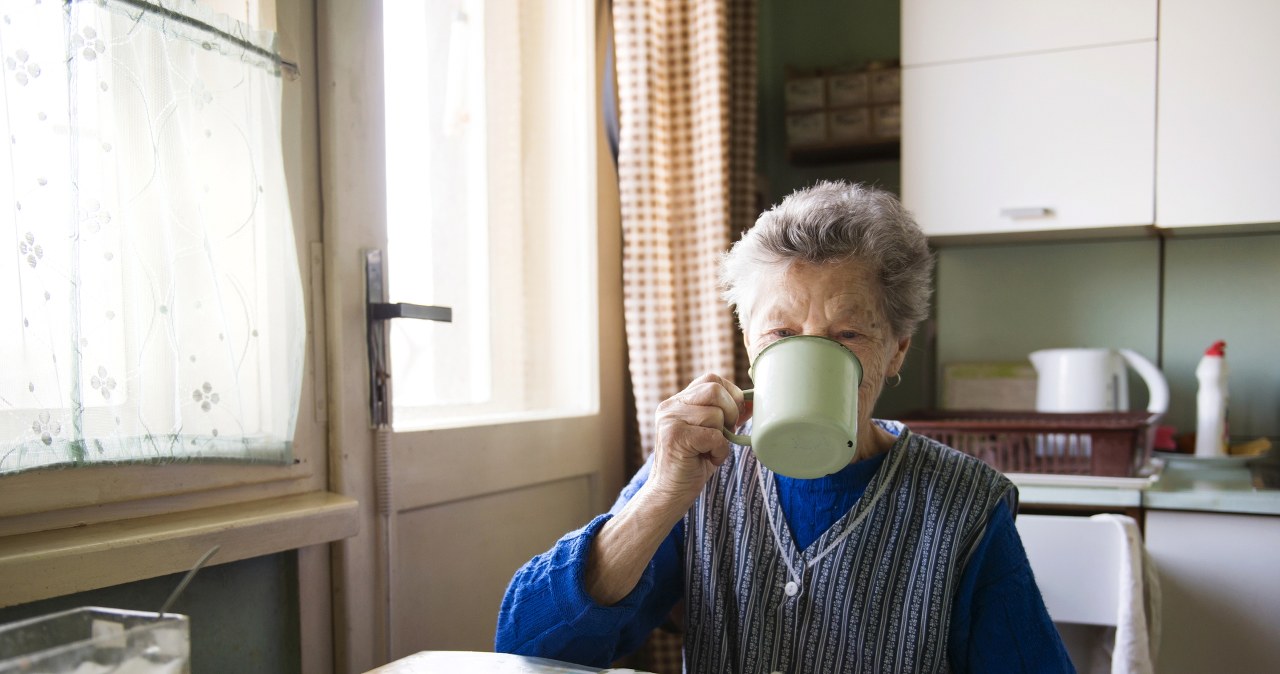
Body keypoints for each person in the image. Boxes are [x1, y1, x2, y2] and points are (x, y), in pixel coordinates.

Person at [495, 181, 1074, 673]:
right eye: (781, 335)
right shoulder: (695, 471)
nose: (812, 353)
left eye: (848, 335)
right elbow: (529, 650)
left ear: (896, 353)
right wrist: (661, 496)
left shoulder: (966, 503)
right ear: (749, 345)